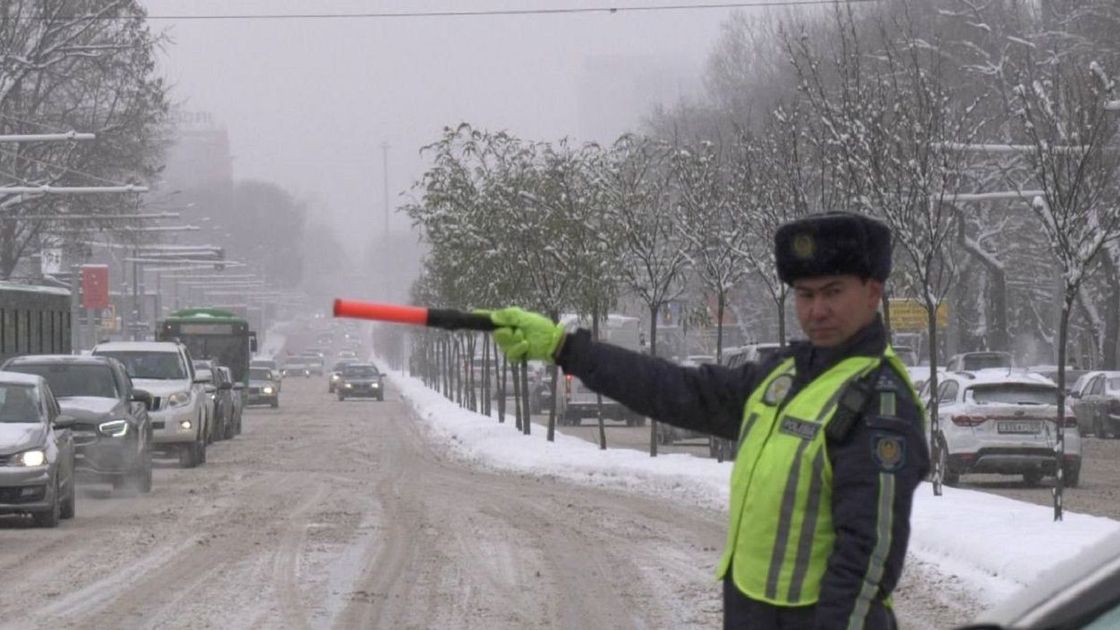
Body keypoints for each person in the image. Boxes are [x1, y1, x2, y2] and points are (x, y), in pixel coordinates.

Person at [487, 212, 929, 630]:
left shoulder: (879, 402)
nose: (816, 310)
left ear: (873, 293)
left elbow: (866, 560)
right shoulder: (783, 375)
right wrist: (567, 350)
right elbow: (673, 389)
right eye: (805, 294)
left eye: (833, 292)